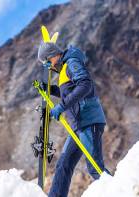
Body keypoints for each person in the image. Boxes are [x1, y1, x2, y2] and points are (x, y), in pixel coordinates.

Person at [38, 42, 111, 197]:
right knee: (64, 164)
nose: (48, 66)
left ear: (53, 55)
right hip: (77, 125)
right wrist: (50, 90)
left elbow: (85, 85)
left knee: (95, 168)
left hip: (88, 121)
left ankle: (121, 191)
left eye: (47, 62)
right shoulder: (64, 70)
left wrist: (61, 107)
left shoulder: (72, 63)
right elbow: (69, 91)